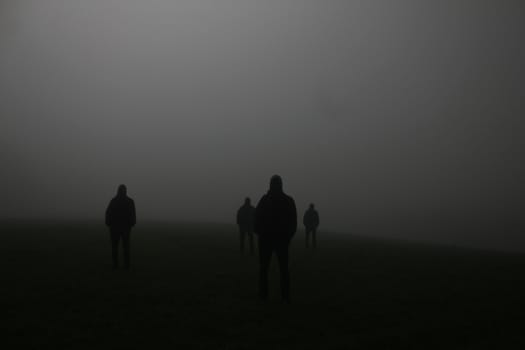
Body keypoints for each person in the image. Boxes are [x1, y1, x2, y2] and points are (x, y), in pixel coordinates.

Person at [254, 175, 297, 303]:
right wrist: (287, 238)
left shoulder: (265, 199)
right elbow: (293, 223)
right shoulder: (288, 200)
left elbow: (256, 218)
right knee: (282, 269)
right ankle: (284, 296)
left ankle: (264, 295)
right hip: (279, 240)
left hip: (267, 240)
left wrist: (260, 234)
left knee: (265, 269)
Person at [105, 184, 136, 269]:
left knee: (115, 247)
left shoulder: (114, 201)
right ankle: (126, 265)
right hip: (125, 228)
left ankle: (116, 265)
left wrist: (108, 223)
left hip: (114, 228)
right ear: (125, 191)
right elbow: (133, 215)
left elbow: (108, 213)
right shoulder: (130, 201)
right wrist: (132, 223)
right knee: (126, 247)